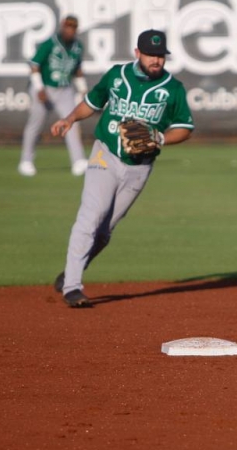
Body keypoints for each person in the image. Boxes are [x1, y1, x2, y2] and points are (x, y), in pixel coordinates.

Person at [50, 29, 194, 307]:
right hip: (106, 154)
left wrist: (160, 137)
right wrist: (69, 119)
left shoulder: (172, 88)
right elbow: (92, 103)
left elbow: (186, 128)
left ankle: (71, 270)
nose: (156, 60)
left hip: (140, 167)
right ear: (137, 53)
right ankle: (72, 286)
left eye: (161, 56)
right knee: (91, 217)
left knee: (104, 232)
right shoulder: (116, 76)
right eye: (151, 54)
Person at [18, 16, 89, 178]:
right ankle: (26, 161)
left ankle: (78, 161)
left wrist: (83, 89)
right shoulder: (50, 43)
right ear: (62, 27)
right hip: (45, 88)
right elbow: (34, 64)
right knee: (35, 124)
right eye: (68, 27)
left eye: (73, 27)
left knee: (72, 122)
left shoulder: (77, 46)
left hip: (65, 89)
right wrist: (39, 88)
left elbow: (77, 69)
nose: (70, 30)